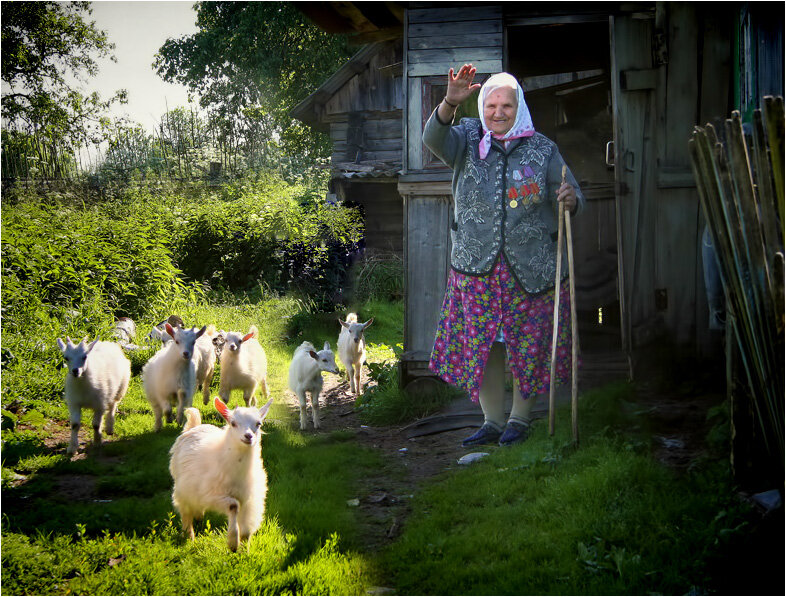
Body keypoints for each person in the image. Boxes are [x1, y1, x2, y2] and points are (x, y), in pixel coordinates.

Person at [422, 64, 585, 447]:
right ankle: (492, 421)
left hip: (531, 269)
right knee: (485, 345)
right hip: (476, 267)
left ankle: (520, 418)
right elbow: (432, 138)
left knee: (527, 344)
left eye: (506, 105)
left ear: (519, 107)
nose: (498, 112)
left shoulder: (543, 149)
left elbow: (573, 193)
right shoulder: (464, 137)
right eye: (491, 104)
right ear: (482, 106)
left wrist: (570, 199)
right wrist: (449, 102)